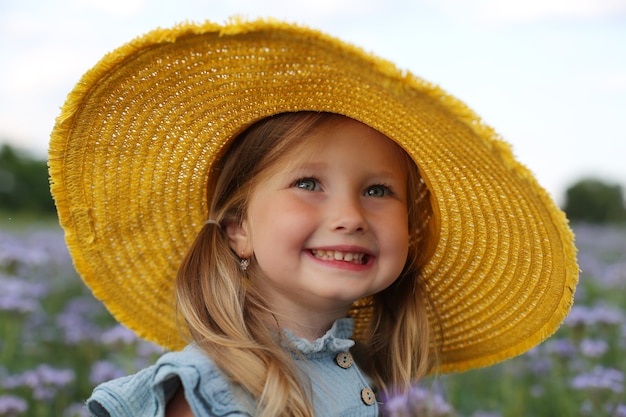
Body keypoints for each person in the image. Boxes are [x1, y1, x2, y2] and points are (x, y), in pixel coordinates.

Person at [48, 18, 578, 417]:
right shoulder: (208, 390)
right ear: (239, 228)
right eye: (307, 184)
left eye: (377, 190)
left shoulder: (361, 378)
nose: (349, 215)